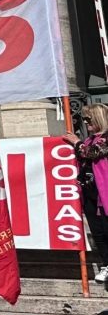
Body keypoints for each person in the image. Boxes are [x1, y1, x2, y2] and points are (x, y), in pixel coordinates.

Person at [70, 103, 108, 282]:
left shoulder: (105, 139)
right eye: (84, 120)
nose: (86, 123)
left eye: (88, 119)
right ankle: (106, 264)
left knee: (106, 229)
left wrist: (76, 143)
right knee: (97, 232)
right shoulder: (87, 140)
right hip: (90, 192)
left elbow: (92, 153)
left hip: (104, 192)